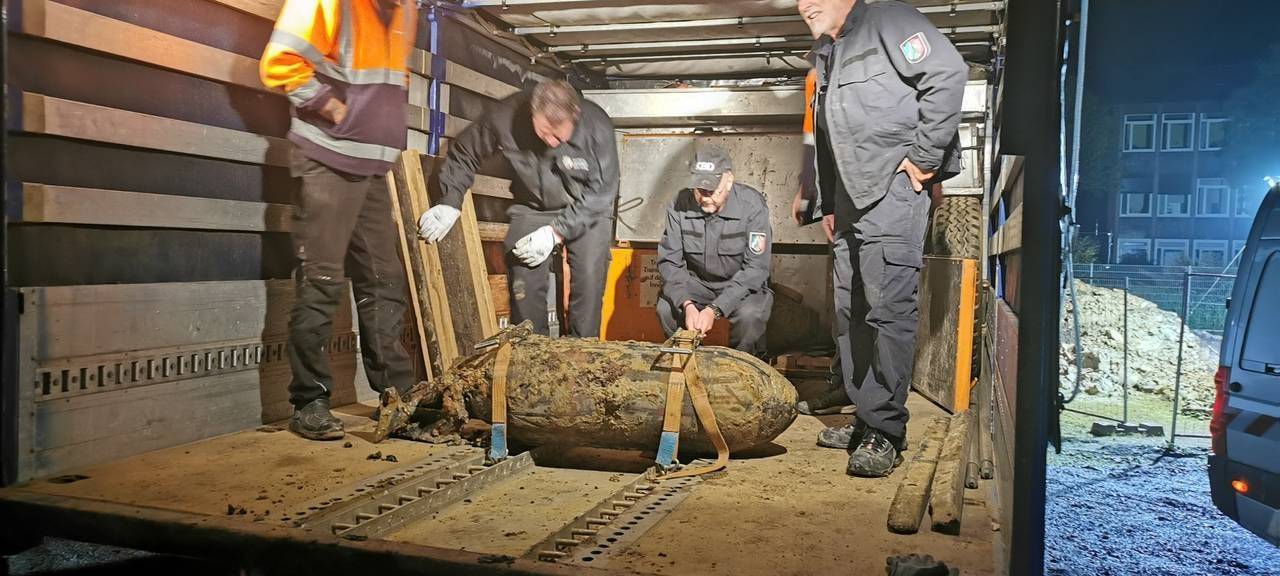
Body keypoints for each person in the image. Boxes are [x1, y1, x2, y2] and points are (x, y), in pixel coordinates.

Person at [797, 0, 967, 476]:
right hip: (850, 200)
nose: (804, 3)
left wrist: (926, 157)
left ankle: (886, 430)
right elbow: (830, 137)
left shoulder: (890, 21)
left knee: (888, 310)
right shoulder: (828, 52)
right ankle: (866, 415)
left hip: (892, 191)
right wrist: (829, 202)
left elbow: (947, 73)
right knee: (851, 311)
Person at [260, 0, 419, 441]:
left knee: (385, 281)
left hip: (371, 166)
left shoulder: (404, 9)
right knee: (323, 281)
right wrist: (334, 110)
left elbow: (392, 81)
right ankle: (308, 402)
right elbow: (280, 62)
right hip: (327, 158)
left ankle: (397, 398)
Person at [417, 80, 618, 337]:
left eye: (559, 137)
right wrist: (450, 201)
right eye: (544, 133)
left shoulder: (597, 127)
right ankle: (530, 350)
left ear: (575, 115)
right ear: (533, 112)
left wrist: (556, 232)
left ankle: (584, 352)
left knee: (588, 283)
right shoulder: (504, 116)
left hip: (587, 207)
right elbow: (464, 152)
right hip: (534, 206)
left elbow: (602, 193)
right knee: (523, 275)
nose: (552, 142)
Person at [656, 145, 773, 357]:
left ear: (728, 181)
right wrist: (687, 304)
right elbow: (670, 262)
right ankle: (684, 363)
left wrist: (715, 309)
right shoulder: (678, 205)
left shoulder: (752, 206)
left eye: (712, 190)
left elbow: (756, 268)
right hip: (697, 284)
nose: (705, 197)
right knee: (666, 308)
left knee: (750, 315)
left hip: (740, 284)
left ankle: (743, 368)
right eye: (700, 190)